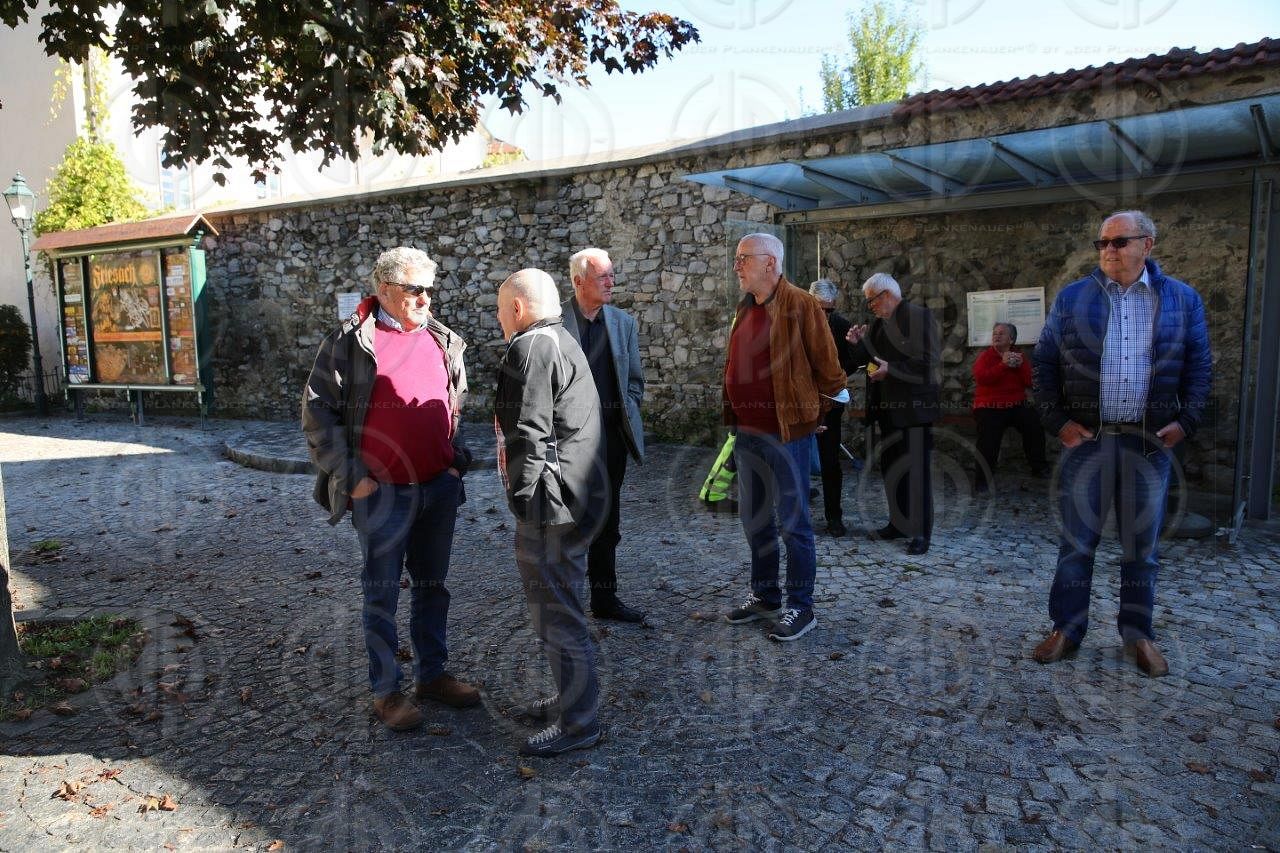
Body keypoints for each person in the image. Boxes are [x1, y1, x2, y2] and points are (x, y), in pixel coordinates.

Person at [302, 247, 478, 732]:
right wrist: (351, 476)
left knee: (432, 587)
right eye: (414, 289)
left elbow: (456, 404)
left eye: (429, 289)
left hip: (438, 488)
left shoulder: (444, 340)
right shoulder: (349, 343)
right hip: (382, 494)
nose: (425, 298)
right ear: (384, 290)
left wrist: (456, 464)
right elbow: (317, 413)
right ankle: (386, 690)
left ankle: (433, 675)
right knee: (381, 592)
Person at [1031, 210, 1211, 677]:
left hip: (1148, 446)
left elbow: (1200, 368)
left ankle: (1138, 634)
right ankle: (1067, 628)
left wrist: (1187, 421)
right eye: (1102, 243)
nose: (1108, 250)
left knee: (1141, 548)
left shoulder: (1182, 301)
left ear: (1147, 245)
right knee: (1076, 542)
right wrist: (1059, 422)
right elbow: (1044, 364)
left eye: (1119, 241)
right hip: (1088, 443)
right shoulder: (1073, 298)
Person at [494, 268, 605, 756]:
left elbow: (528, 435)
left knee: (557, 617)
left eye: (501, 310)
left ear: (517, 308)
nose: (500, 320)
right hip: (575, 499)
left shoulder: (531, 347)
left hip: (551, 507)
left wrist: (523, 505)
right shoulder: (562, 339)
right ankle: (571, 699)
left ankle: (580, 723)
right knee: (562, 612)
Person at [721, 233, 846, 642]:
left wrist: (815, 415)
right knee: (754, 519)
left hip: (787, 433)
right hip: (747, 432)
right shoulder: (745, 307)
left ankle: (801, 606)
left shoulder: (801, 304)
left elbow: (829, 369)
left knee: (793, 523)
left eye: (743, 259)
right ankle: (766, 596)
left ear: (770, 263)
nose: (737, 266)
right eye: (737, 259)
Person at [561, 248, 647, 623]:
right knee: (567, 522)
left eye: (613, 275)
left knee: (607, 522)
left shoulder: (623, 323)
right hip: (565, 444)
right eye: (603, 277)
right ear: (579, 282)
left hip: (610, 441)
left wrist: (625, 409)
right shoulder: (552, 323)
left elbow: (634, 382)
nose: (611, 283)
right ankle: (563, 603)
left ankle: (605, 600)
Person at [845, 273, 941, 556]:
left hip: (914, 411)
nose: (870, 307)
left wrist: (893, 371)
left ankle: (922, 534)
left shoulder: (919, 317)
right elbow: (870, 362)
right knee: (892, 469)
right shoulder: (878, 324)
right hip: (887, 411)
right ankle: (898, 524)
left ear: (886, 295)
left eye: (872, 301)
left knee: (917, 474)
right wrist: (857, 345)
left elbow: (929, 362)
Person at [971, 321, 1049, 493]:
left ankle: (1039, 468)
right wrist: (1003, 366)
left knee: (1034, 426)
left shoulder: (1018, 355)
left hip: (1015, 404)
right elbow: (982, 378)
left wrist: (1020, 366)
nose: (996, 336)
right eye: (995, 333)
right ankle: (982, 480)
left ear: (1011, 339)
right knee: (988, 440)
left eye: (1001, 333)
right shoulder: (986, 356)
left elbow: (1030, 382)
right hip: (989, 406)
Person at [808, 278, 858, 536]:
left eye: (830, 310)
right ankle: (795, 515)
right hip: (801, 403)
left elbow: (853, 362)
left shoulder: (840, 325)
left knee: (830, 461)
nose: (825, 315)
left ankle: (834, 517)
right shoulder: (795, 323)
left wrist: (833, 379)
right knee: (793, 459)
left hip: (829, 404)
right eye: (821, 309)